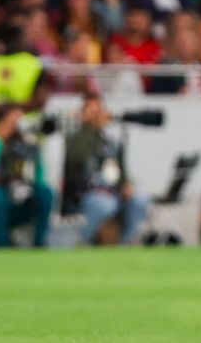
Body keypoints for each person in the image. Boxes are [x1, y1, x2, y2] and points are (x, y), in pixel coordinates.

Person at [63, 95, 151, 245]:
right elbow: (78, 157)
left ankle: (124, 242)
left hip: (113, 191)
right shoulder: (75, 139)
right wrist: (88, 126)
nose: (97, 114)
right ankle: (82, 241)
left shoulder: (110, 141)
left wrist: (126, 183)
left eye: (100, 109)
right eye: (92, 110)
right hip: (87, 193)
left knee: (140, 200)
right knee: (104, 204)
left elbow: (120, 169)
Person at [0, 108, 54, 248]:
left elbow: (39, 180)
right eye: (11, 122)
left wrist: (35, 148)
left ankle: (39, 244)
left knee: (45, 193)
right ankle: (2, 246)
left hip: (15, 200)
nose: (15, 127)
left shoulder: (26, 145)